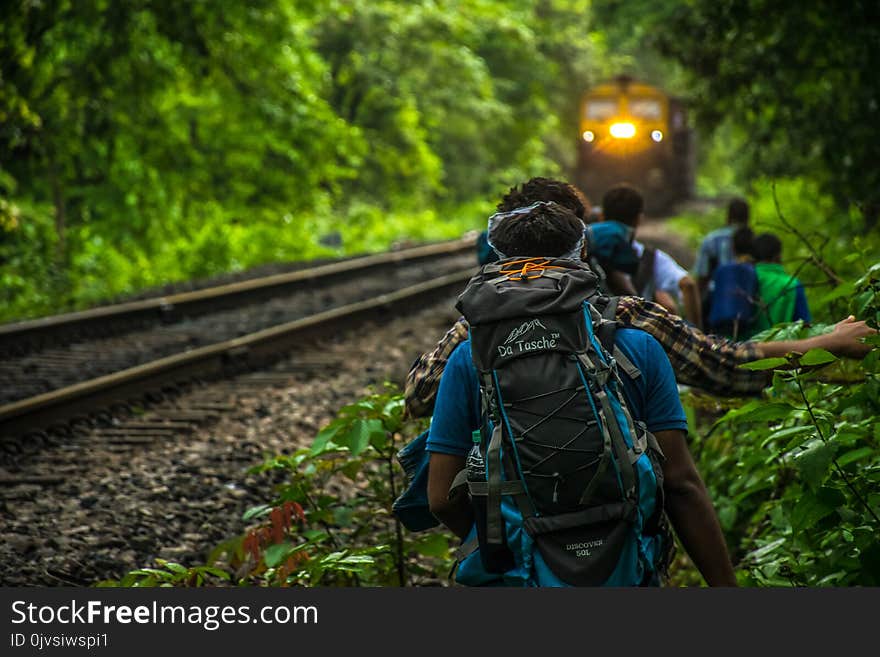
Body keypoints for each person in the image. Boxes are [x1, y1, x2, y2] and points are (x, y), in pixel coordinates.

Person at [426, 201, 738, 586]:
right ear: (583, 255)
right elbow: (681, 484)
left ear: (498, 260)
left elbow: (440, 497)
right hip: (624, 567)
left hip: (519, 574)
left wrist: (500, 541)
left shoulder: (468, 357)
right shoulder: (635, 346)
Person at [404, 178, 876, 419]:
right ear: (582, 242)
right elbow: (730, 367)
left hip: (505, 533)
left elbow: (419, 397)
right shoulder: (627, 317)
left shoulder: (477, 328)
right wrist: (825, 343)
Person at [600, 183, 702, 328]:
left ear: (602, 217)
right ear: (639, 219)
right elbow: (689, 285)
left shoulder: (589, 250)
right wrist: (697, 332)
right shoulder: (651, 257)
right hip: (636, 334)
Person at [695, 197, 750, 326]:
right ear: (748, 218)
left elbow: (702, 276)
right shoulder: (752, 238)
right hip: (748, 299)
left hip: (715, 299)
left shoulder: (711, 239)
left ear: (728, 216)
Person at [750, 232, 812, 334]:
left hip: (739, 346)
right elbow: (805, 327)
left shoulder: (744, 278)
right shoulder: (792, 284)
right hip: (780, 347)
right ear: (778, 255)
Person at [707, 226, 758, 339]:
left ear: (733, 247)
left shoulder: (721, 269)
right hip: (744, 324)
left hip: (717, 323)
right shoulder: (753, 270)